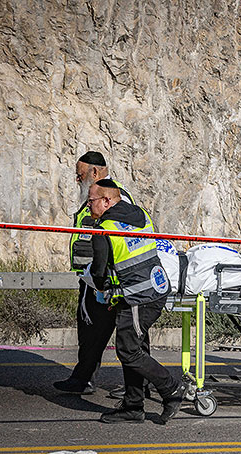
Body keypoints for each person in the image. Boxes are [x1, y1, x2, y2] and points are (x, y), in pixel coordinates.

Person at [87, 179, 184, 424]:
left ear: (107, 200)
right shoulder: (141, 214)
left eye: (91, 201)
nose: (88, 207)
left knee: (128, 351)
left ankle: (171, 389)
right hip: (155, 289)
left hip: (140, 298)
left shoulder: (104, 229)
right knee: (135, 349)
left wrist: (103, 291)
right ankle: (133, 405)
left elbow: (99, 273)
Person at [54, 151, 135, 395]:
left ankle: (136, 387)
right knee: (89, 331)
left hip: (107, 279)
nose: (77, 180)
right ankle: (84, 379)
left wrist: (105, 276)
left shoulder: (116, 197)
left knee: (128, 335)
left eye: (80, 175)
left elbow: (121, 237)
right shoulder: (92, 196)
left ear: (95, 172)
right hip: (91, 277)